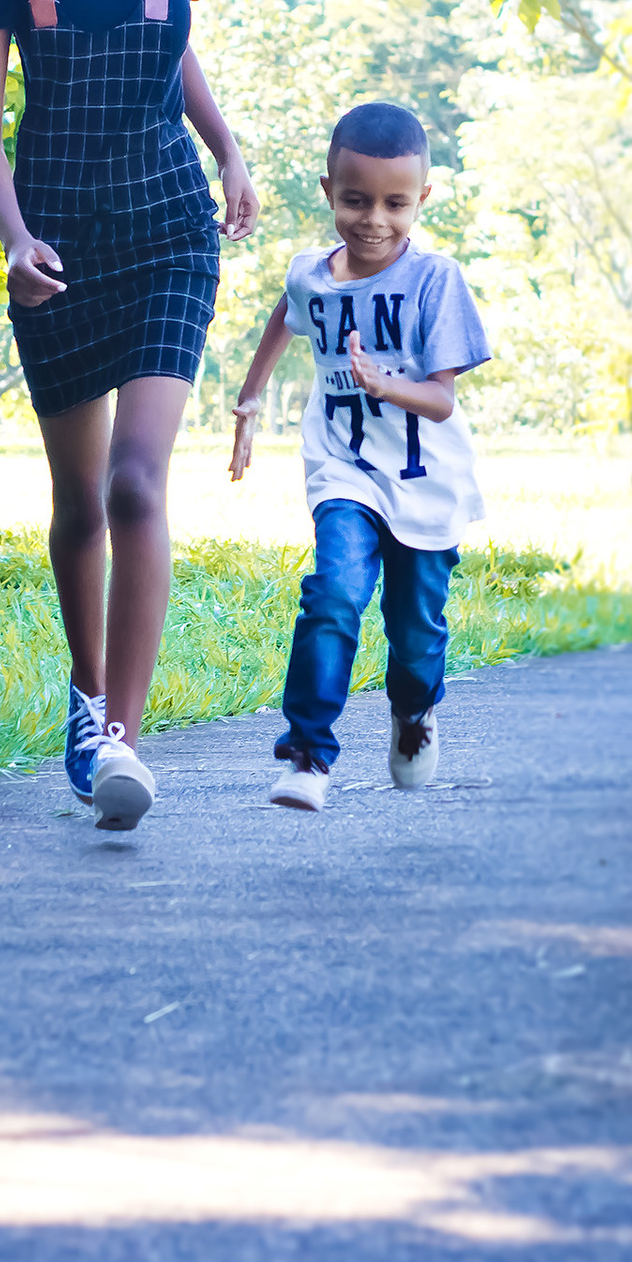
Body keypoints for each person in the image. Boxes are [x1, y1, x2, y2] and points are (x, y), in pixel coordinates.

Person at [0, 0, 259, 832]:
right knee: (78, 501)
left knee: (139, 482)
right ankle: (84, 698)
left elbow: (174, 44)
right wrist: (13, 237)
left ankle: (127, 742)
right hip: (58, 252)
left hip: (169, 231)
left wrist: (228, 151)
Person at [230, 102, 489, 810]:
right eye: (355, 199)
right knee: (335, 593)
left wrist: (386, 383)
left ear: (422, 200)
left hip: (424, 483)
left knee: (415, 636)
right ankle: (308, 754)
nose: (374, 218)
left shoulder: (437, 280)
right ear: (328, 192)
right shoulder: (311, 272)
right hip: (344, 470)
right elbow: (288, 310)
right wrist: (251, 400)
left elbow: (442, 401)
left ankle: (413, 713)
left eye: (395, 203)